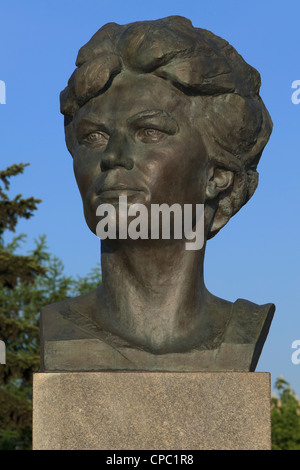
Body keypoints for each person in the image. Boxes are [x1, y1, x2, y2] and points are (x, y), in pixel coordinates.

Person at [40, 16, 275, 372]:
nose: (112, 156)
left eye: (148, 132)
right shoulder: (60, 330)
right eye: (93, 137)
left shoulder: (242, 333)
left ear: (218, 176)